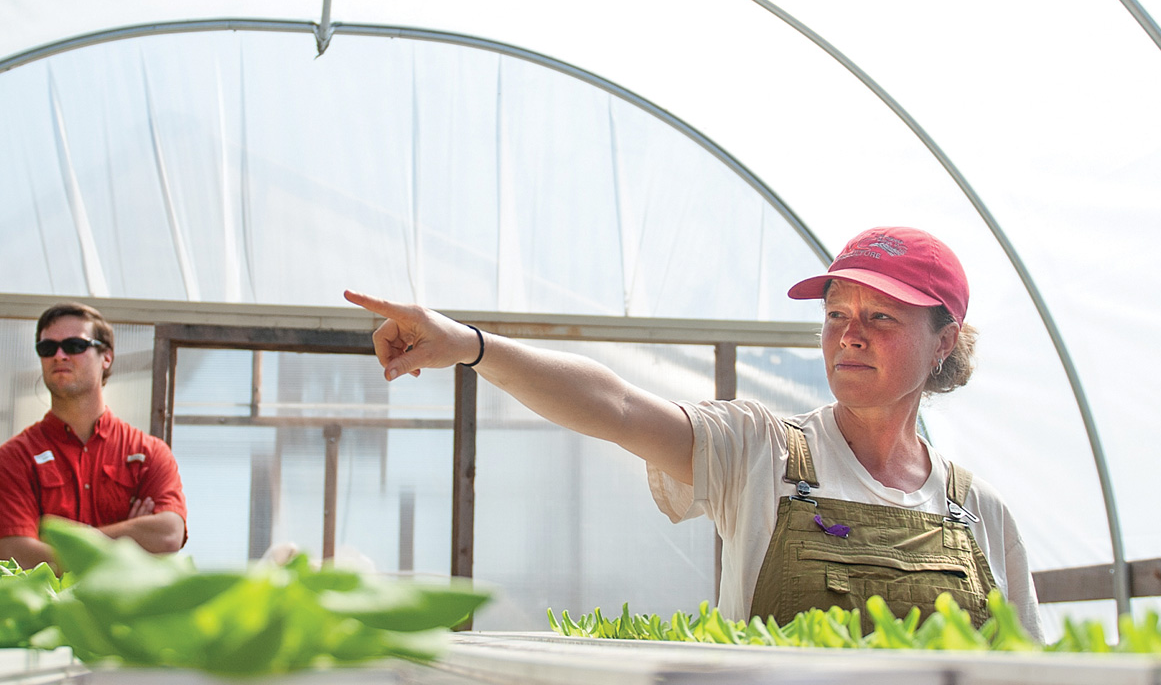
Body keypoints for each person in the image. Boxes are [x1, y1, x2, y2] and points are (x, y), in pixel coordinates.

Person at [347, 226, 1041, 634]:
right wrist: (470, 345)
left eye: (881, 318)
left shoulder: (979, 514)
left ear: (944, 342)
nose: (849, 336)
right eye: (836, 315)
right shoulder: (763, 452)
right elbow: (614, 405)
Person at [0, 302, 188, 569]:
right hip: (50, 611)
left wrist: (57, 542)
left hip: (126, 610)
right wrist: (130, 541)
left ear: (107, 356)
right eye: (47, 348)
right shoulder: (13, 458)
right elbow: (16, 553)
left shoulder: (150, 453)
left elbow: (168, 533)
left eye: (75, 345)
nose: (59, 355)